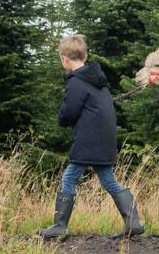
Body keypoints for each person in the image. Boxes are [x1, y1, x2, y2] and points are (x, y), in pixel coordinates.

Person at [39, 33, 143, 241]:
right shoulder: (98, 81)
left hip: (88, 141)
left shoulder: (76, 82)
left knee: (69, 177)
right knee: (108, 180)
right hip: (104, 140)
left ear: (64, 59)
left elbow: (69, 113)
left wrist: (61, 118)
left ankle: (59, 226)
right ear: (85, 56)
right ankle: (133, 222)